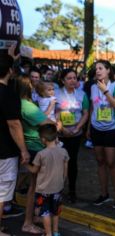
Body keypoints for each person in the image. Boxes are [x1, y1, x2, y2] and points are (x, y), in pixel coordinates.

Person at [15, 75, 54, 234]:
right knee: (34, 187)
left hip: (31, 146)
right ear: (28, 87)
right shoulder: (27, 106)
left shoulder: (19, 103)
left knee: (36, 185)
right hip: (36, 147)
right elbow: (47, 122)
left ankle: (35, 215)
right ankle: (28, 222)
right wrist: (58, 124)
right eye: (32, 83)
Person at [0, 54, 30, 236]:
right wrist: (23, 149)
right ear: (10, 71)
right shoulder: (8, 94)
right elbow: (14, 124)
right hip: (4, 151)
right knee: (1, 193)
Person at [88, 60, 115, 208]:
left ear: (108, 70)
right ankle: (104, 194)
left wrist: (105, 91)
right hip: (96, 128)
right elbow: (92, 107)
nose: (97, 71)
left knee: (111, 163)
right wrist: (88, 127)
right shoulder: (92, 87)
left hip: (111, 129)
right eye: (96, 69)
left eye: (101, 68)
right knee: (100, 162)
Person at [24, 124, 69, 236]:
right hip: (58, 188)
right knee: (56, 211)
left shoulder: (40, 154)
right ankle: (56, 232)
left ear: (43, 139)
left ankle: (48, 234)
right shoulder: (63, 152)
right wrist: (63, 181)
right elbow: (65, 171)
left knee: (45, 213)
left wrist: (25, 164)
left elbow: (34, 170)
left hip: (43, 189)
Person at [56, 68, 89, 203]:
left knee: (72, 162)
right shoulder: (56, 94)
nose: (72, 80)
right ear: (63, 80)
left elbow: (86, 113)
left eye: (74, 78)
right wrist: (62, 129)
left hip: (76, 134)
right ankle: (57, 190)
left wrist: (78, 128)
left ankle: (72, 191)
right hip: (60, 134)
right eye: (69, 78)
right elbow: (55, 112)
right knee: (58, 163)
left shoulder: (82, 94)